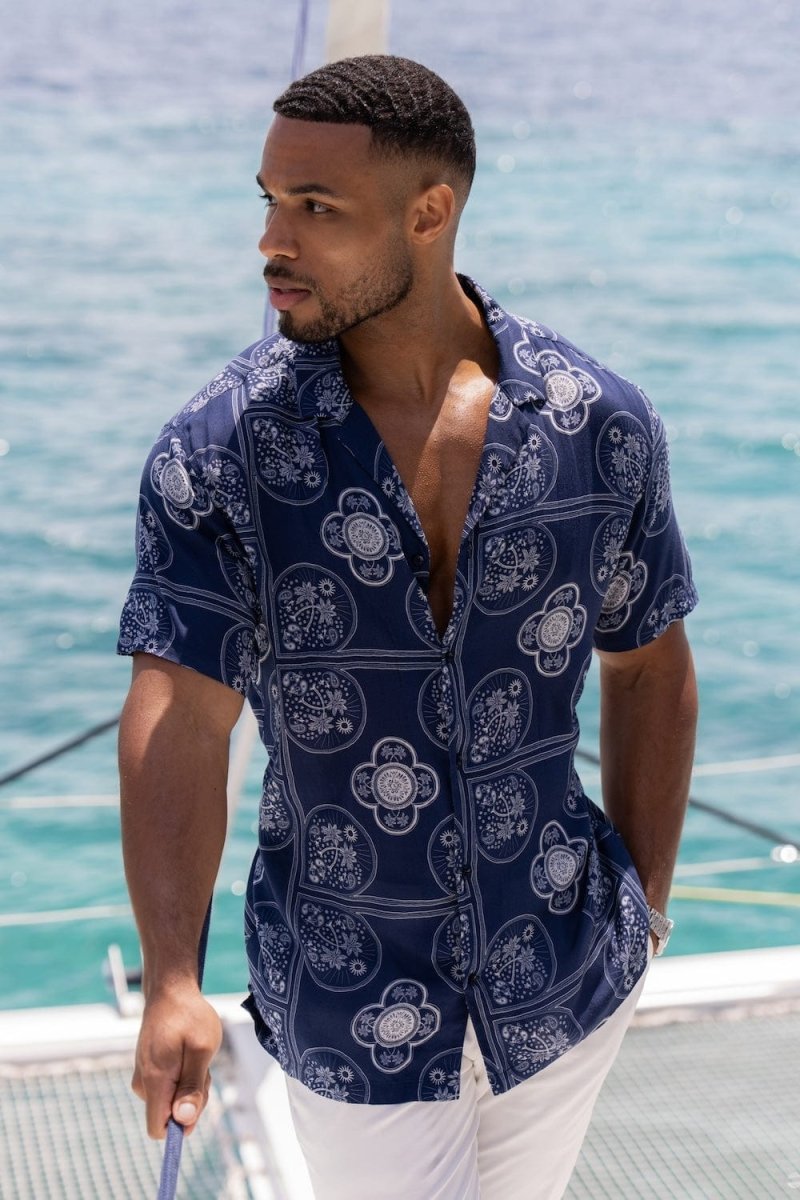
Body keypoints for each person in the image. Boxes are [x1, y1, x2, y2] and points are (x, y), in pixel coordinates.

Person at [118, 54, 698, 1200]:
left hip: (563, 974)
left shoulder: (597, 426)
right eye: (269, 200)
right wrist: (172, 978)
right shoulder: (221, 452)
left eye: (315, 207)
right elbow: (180, 713)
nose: (271, 240)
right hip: (349, 1004)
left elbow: (646, 665)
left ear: (427, 214)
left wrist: (646, 909)